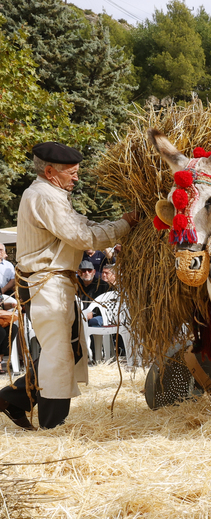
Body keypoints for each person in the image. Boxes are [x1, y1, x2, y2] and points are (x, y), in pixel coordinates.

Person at [0, 141, 136, 430]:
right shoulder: (45, 196)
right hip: (47, 284)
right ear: (50, 171)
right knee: (59, 354)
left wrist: (116, 227)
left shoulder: (50, 194)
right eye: (71, 173)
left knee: (69, 351)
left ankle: (13, 398)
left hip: (53, 283)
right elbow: (82, 236)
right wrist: (123, 224)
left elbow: (80, 230)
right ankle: (53, 426)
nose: (76, 178)